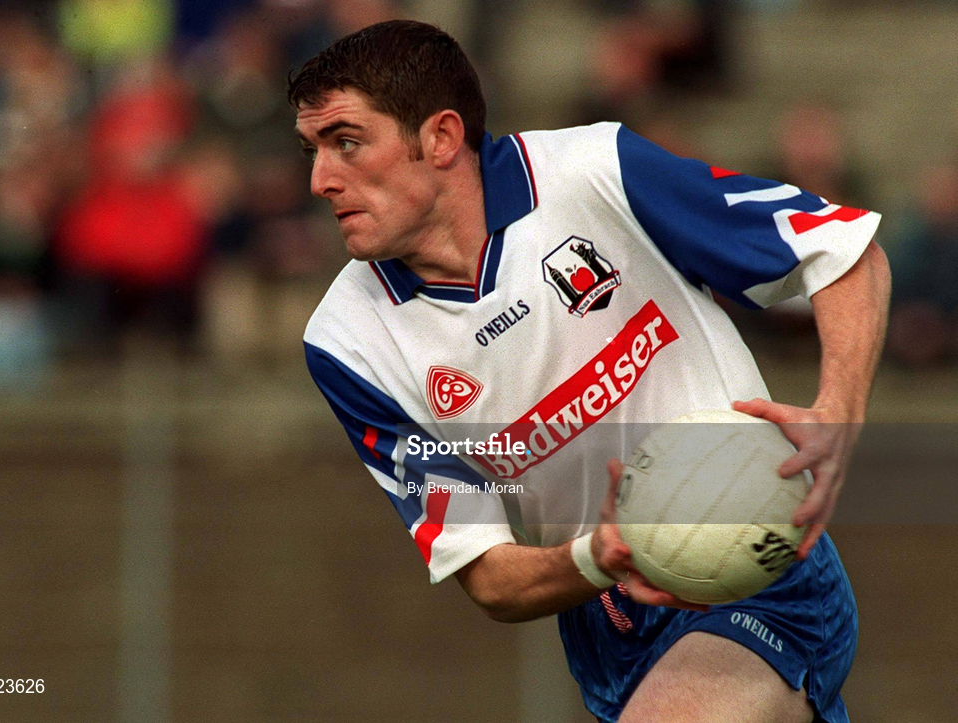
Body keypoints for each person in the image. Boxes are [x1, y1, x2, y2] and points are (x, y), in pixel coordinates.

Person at [290, 20, 890, 723]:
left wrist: (836, 413)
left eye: (346, 142)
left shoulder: (593, 170)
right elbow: (489, 576)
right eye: (312, 149)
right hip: (608, 631)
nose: (320, 179)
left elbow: (844, 251)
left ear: (442, 137)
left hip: (760, 569)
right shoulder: (347, 341)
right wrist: (600, 555)